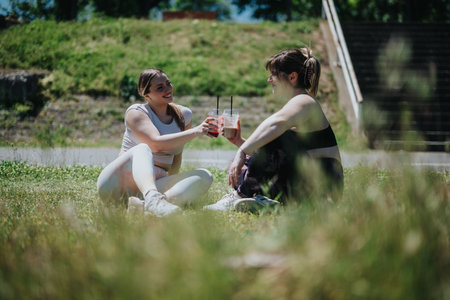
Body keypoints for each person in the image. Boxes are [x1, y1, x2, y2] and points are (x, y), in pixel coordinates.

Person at [204, 48, 343, 212]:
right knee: (245, 163)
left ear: (292, 77)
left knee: (276, 135)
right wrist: (240, 143)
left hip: (324, 186)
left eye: (274, 74)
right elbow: (277, 154)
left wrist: (242, 151)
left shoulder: (305, 101)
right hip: (310, 182)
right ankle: (268, 202)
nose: (269, 80)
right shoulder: (299, 103)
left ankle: (241, 196)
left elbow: (275, 125)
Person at [97, 68, 216, 217]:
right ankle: (152, 198)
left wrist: (173, 180)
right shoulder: (136, 112)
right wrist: (196, 131)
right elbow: (156, 143)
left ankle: (147, 205)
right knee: (143, 148)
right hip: (117, 185)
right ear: (146, 94)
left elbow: (177, 155)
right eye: (160, 87)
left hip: (152, 185)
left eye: (168, 83)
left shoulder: (184, 115)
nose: (168, 89)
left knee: (205, 175)